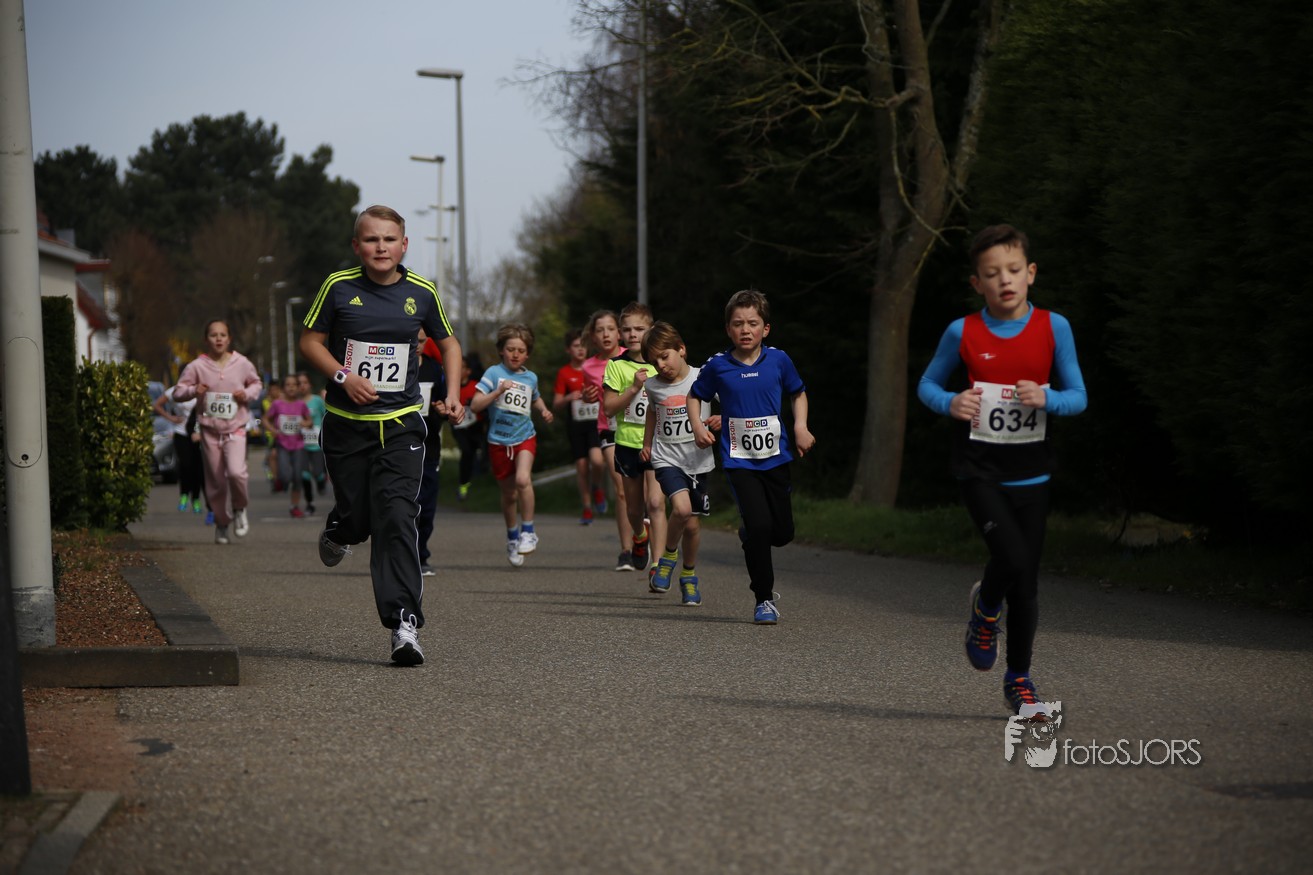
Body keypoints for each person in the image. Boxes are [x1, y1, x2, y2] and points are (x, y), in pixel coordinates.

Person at [917, 224, 1087, 720]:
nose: (1004, 280)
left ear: (1030, 273)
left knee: (1027, 584)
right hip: (980, 470)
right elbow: (927, 384)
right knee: (1011, 558)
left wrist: (1049, 399)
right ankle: (986, 609)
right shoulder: (963, 332)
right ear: (978, 283)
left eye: (1013, 270)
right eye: (992, 274)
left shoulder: (1054, 327)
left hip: (1032, 473)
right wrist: (951, 402)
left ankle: (1019, 680)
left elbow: (1078, 397)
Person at [300, 204, 464, 667]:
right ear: (357, 246)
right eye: (371, 239)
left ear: (404, 245)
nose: (381, 247)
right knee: (359, 520)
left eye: (389, 239)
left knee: (396, 516)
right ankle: (340, 528)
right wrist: (343, 377)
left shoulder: (422, 292)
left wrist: (453, 393)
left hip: (402, 425)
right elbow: (309, 341)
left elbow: (449, 344)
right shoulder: (338, 286)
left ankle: (404, 625)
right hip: (346, 426)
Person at [688, 290, 814, 624]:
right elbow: (695, 396)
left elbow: (798, 393)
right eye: (738, 323)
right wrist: (698, 425)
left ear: (765, 329)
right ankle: (764, 600)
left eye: (753, 323)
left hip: (776, 457)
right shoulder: (718, 365)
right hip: (739, 460)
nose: (746, 329)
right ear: (728, 329)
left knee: (782, 533)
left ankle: (751, 536)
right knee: (759, 526)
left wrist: (800, 427)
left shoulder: (779, 360)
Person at [640, 321, 720, 605]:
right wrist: (647, 443)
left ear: (681, 349)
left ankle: (688, 575)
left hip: (698, 461)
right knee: (682, 509)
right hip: (667, 458)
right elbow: (652, 412)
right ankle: (667, 557)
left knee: (693, 526)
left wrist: (721, 418)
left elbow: (730, 399)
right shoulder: (652, 385)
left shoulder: (702, 378)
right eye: (655, 362)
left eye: (665, 356)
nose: (661, 366)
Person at [470, 323, 555, 567]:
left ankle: (528, 531)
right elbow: (475, 405)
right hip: (498, 441)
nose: (515, 354)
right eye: (510, 349)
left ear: (527, 354)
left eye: (521, 350)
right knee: (509, 495)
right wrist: (497, 392)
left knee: (522, 480)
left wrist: (544, 410)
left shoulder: (530, 377)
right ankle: (512, 536)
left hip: (524, 437)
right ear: (501, 350)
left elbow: (535, 397)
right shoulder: (493, 374)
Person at [173, 320, 263, 545]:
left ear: (229, 339)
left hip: (236, 428)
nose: (219, 339)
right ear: (206, 339)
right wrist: (193, 390)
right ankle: (222, 523)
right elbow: (177, 392)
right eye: (214, 335)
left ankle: (239, 508)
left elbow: (256, 384)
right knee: (216, 481)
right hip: (209, 430)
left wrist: (246, 394)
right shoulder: (197, 366)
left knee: (236, 472)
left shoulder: (242, 363)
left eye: (223, 334)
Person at [603, 302, 665, 577]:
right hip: (628, 444)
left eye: (639, 329)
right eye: (627, 330)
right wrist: (634, 388)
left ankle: (659, 566)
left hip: (658, 443)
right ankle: (639, 536)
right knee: (634, 509)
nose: (632, 334)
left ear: (651, 330)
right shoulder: (616, 365)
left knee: (656, 503)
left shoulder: (661, 363)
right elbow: (608, 408)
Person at [582, 310, 631, 569]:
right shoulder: (588, 366)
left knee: (644, 493)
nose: (606, 334)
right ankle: (626, 550)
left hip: (639, 429)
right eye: (600, 330)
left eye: (611, 329)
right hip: (609, 428)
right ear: (593, 336)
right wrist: (587, 396)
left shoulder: (632, 356)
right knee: (621, 488)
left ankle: (643, 534)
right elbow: (589, 394)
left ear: (619, 333)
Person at [553, 329, 606, 526]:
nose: (581, 349)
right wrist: (569, 397)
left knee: (597, 461)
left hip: (595, 422)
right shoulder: (564, 373)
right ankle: (587, 507)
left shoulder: (594, 366)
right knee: (582, 467)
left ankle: (597, 487)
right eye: (576, 346)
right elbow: (556, 403)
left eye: (583, 345)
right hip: (576, 425)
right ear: (568, 350)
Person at [415, 333, 448, 576]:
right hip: (397, 444)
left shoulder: (435, 369)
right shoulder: (394, 368)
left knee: (426, 508)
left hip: (429, 446)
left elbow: (446, 403)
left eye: (421, 340)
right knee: (403, 505)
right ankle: (400, 554)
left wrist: (442, 409)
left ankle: (421, 554)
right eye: (412, 339)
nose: (416, 344)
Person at [264, 374, 313, 518]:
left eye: (294, 385)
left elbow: (310, 421)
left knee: (297, 477)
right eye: (288, 385)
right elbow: (265, 419)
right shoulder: (277, 404)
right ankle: (279, 481)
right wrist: (273, 430)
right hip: (282, 444)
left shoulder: (301, 405)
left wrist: (305, 423)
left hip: (298, 444)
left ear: (298, 388)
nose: (291, 388)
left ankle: (294, 506)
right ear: (283, 388)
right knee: (285, 476)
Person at [152, 383, 203, 514]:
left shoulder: (201, 388)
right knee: (185, 465)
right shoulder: (176, 390)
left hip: (197, 434)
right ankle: (184, 496)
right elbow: (157, 405)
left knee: (197, 467)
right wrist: (171, 418)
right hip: (181, 433)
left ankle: (196, 499)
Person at [451, 353, 487, 501]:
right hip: (459, 427)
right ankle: (463, 485)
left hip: (475, 426)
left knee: (474, 453)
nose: (458, 370)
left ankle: (476, 482)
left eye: (462, 367)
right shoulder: (451, 389)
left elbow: (485, 406)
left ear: (468, 371)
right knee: (466, 452)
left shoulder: (476, 387)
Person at [296, 371, 328, 513]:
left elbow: (326, 416)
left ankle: (322, 481)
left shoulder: (317, 401)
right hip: (300, 444)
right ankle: (310, 503)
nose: (302, 386)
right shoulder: (295, 403)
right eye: (299, 383)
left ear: (310, 384)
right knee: (304, 475)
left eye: (305, 382)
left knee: (318, 473)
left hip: (316, 443)